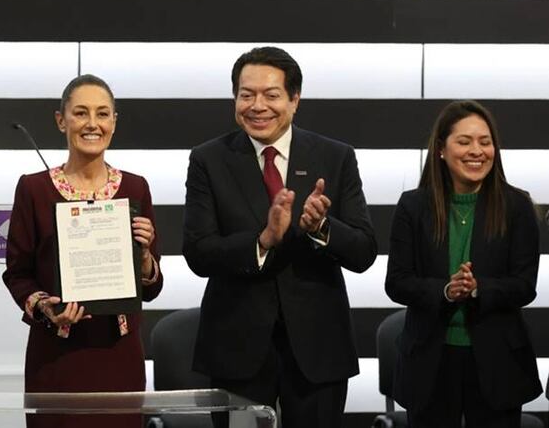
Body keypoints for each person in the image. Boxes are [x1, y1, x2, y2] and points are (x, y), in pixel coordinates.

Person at [182, 46, 376, 427]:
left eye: (271, 95)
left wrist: (322, 228)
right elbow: (198, 252)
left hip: (319, 348)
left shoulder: (335, 157)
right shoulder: (208, 160)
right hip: (236, 345)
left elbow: (364, 250)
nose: (257, 106)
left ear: (294, 99)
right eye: (246, 94)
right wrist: (263, 240)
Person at [2, 74, 162, 425]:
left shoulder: (136, 188)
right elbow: (17, 273)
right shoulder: (34, 190)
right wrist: (46, 308)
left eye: (103, 114)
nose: (93, 124)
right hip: (57, 357)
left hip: (119, 357)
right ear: (61, 121)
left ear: (114, 122)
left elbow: (151, 288)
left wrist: (146, 258)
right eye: (81, 113)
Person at [385, 100, 541, 426]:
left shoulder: (517, 206)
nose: (477, 151)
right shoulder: (413, 206)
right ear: (441, 149)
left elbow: (524, 285)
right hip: (430, 359)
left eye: (485, 142)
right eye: (465, 141)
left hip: (498, 361)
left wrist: (476, 289)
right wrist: (445, 290)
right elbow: (397, 282)